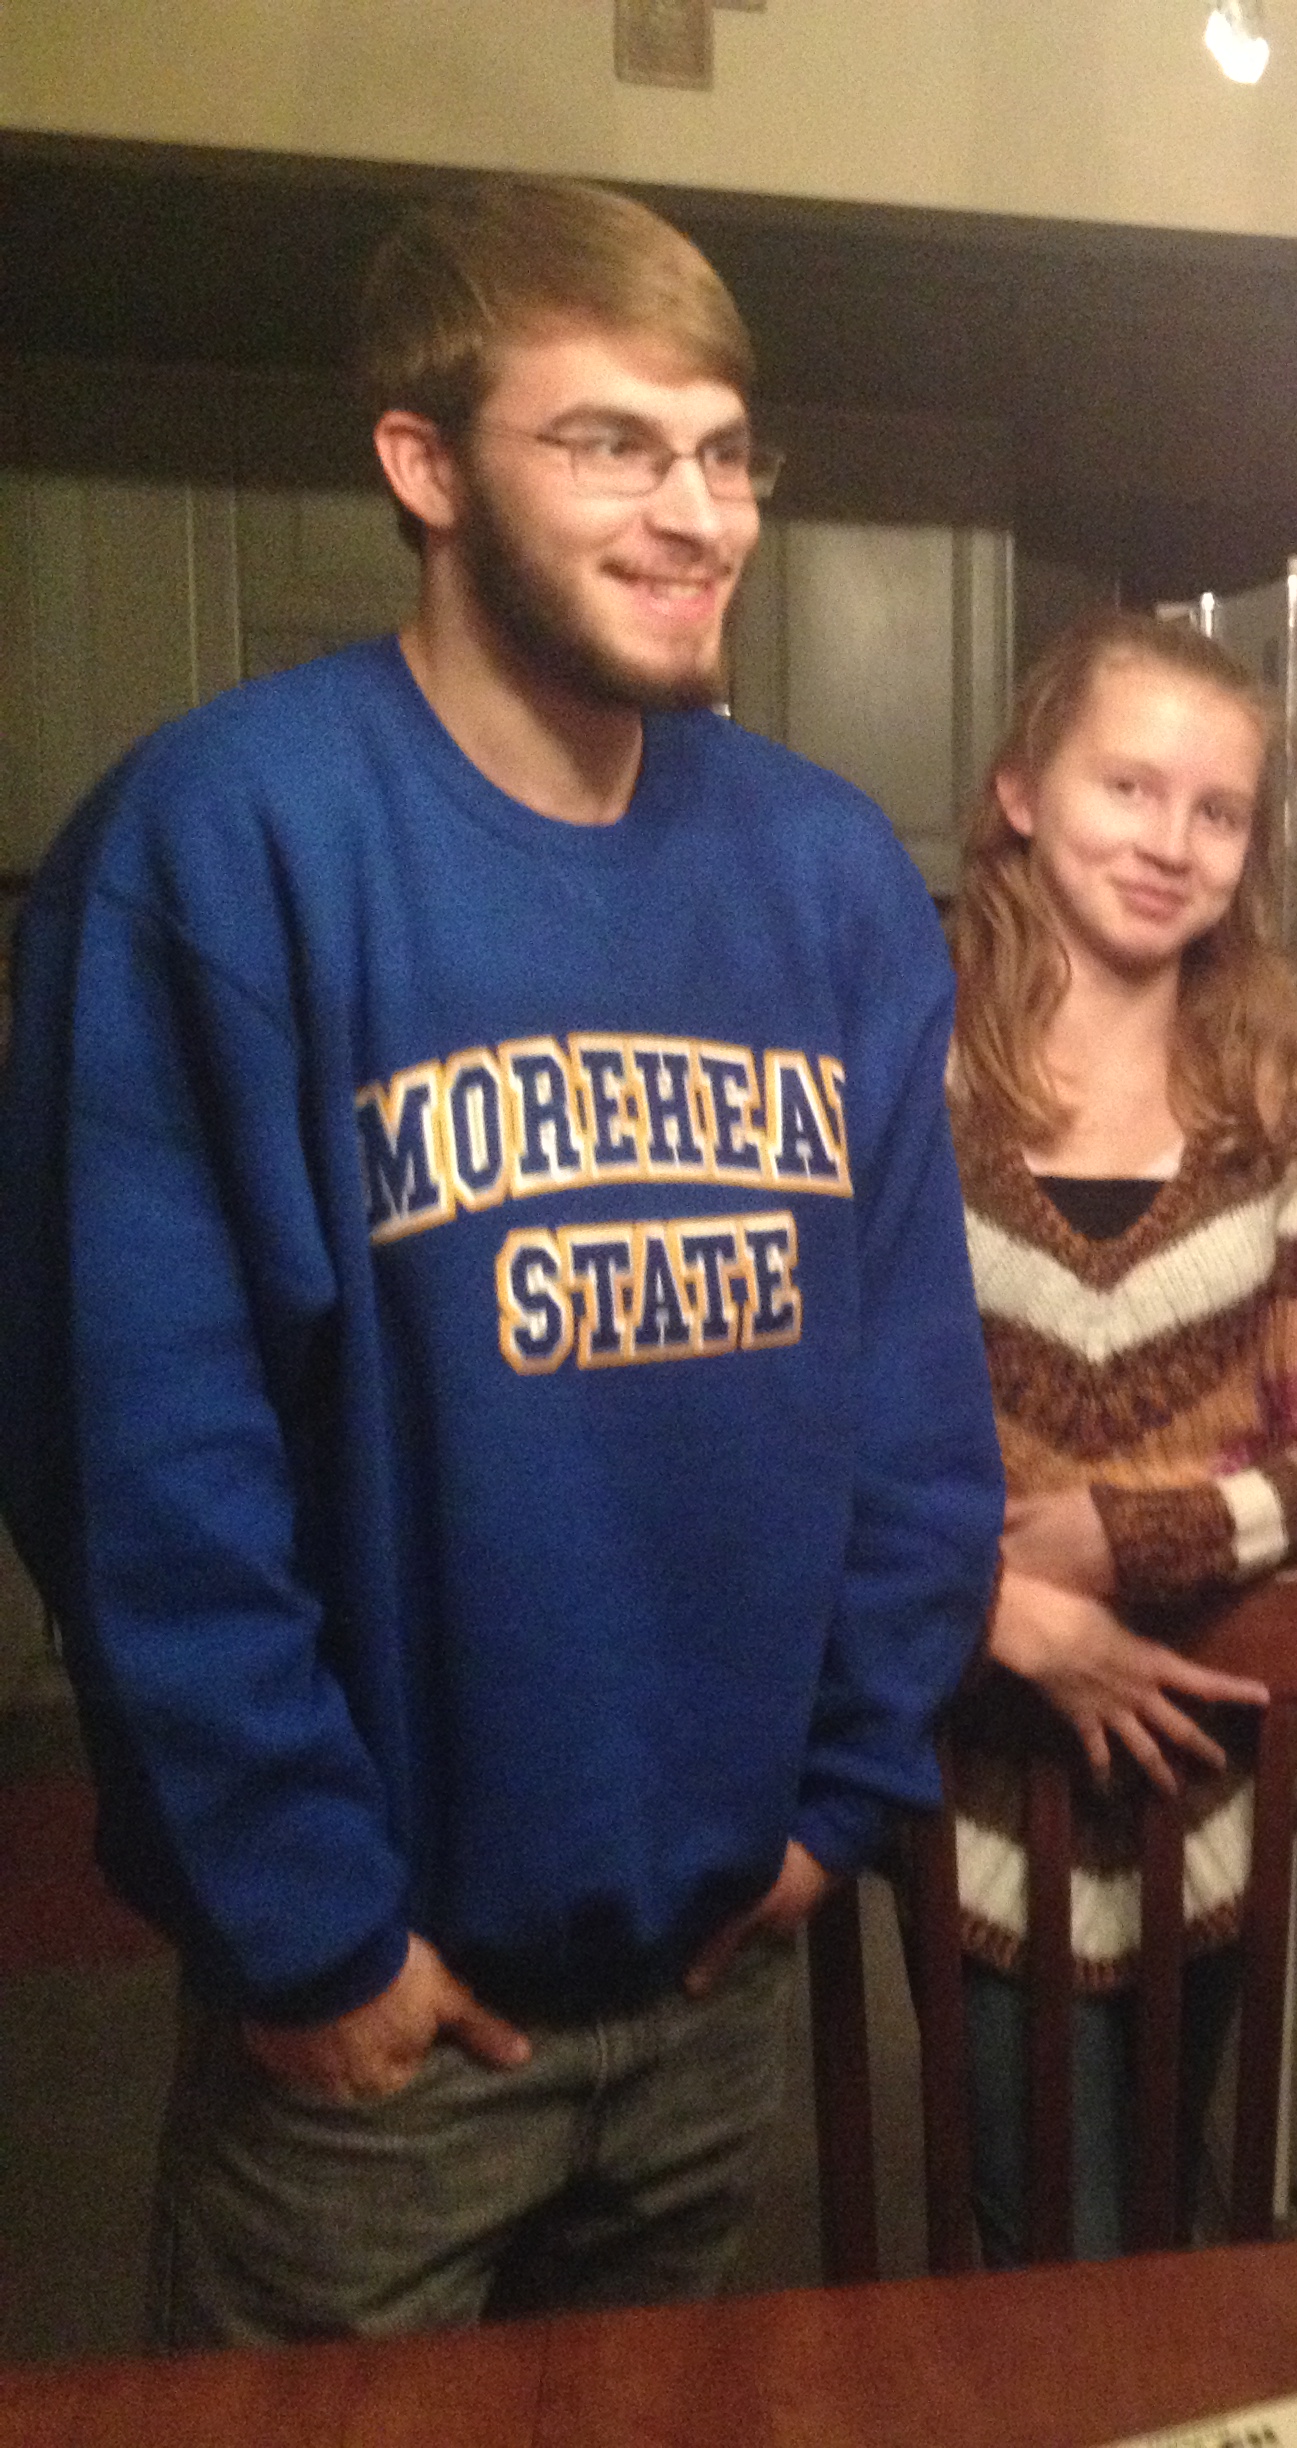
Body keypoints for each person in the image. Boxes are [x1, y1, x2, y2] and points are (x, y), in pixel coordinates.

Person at [0, 176, 1003, 2341]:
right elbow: (143, 1474)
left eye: (725, 451)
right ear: (425, 465)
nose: (698, 513)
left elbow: (919, 1420)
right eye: (612, 444)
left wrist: (836, 1806)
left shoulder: (832, 876)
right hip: (378, 2043)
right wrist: (313, 1935)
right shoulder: (222, 845)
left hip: (717, 1989)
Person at [937, 609, 1297, 2259]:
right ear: (1021, 792)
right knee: (1035, 2238)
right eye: (1126, 786)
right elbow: (825, 1433)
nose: (1168, 841)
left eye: (1217, 811)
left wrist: (1122, 1541)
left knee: (1163, 2220)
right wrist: (989, 1595)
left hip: (1217, 1787)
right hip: (971, 1778)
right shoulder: (904, 1075)